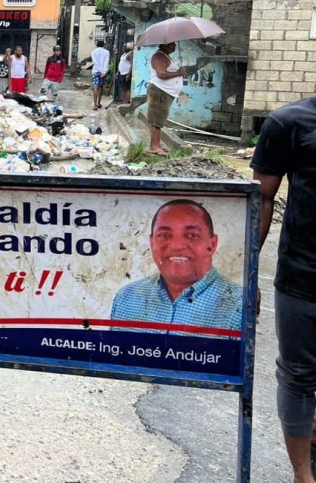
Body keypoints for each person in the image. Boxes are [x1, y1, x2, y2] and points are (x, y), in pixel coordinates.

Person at [252, 96, 316, 483]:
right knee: (298, 374)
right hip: (302, 278)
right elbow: (260, 199)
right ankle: (302, 474)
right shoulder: (288, 122)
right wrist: (247, 274)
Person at [110, 199, 243, 334]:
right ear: (151, 243)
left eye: (191, 235)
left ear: (212, 244)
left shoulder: (238, 305)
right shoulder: (126, 297)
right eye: (164, 235)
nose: (177, 245)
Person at [147, 42, 190, 155]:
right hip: (160, 91)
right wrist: (178, 73)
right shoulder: (159, 56)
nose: (174, 46)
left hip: (165, 92)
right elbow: (161, 74)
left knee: (160, 119)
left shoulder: (165, 56)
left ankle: (157, 144)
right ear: (165, 45)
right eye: (172, 44)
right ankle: (154, 146)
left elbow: (169, 72)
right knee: (156, 119)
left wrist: (179, 73)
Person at [90, 40, 110, 110]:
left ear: (97, 45)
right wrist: (104, 71)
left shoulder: (93, 52)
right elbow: (106, 62)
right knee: (101, 87)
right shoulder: (107, 52)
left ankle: (95, 105)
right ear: (103, 45)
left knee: (95, 86)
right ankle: (98, 103)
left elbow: (95, 62)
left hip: (95, 71)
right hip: (103, 72)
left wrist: (99, 69)